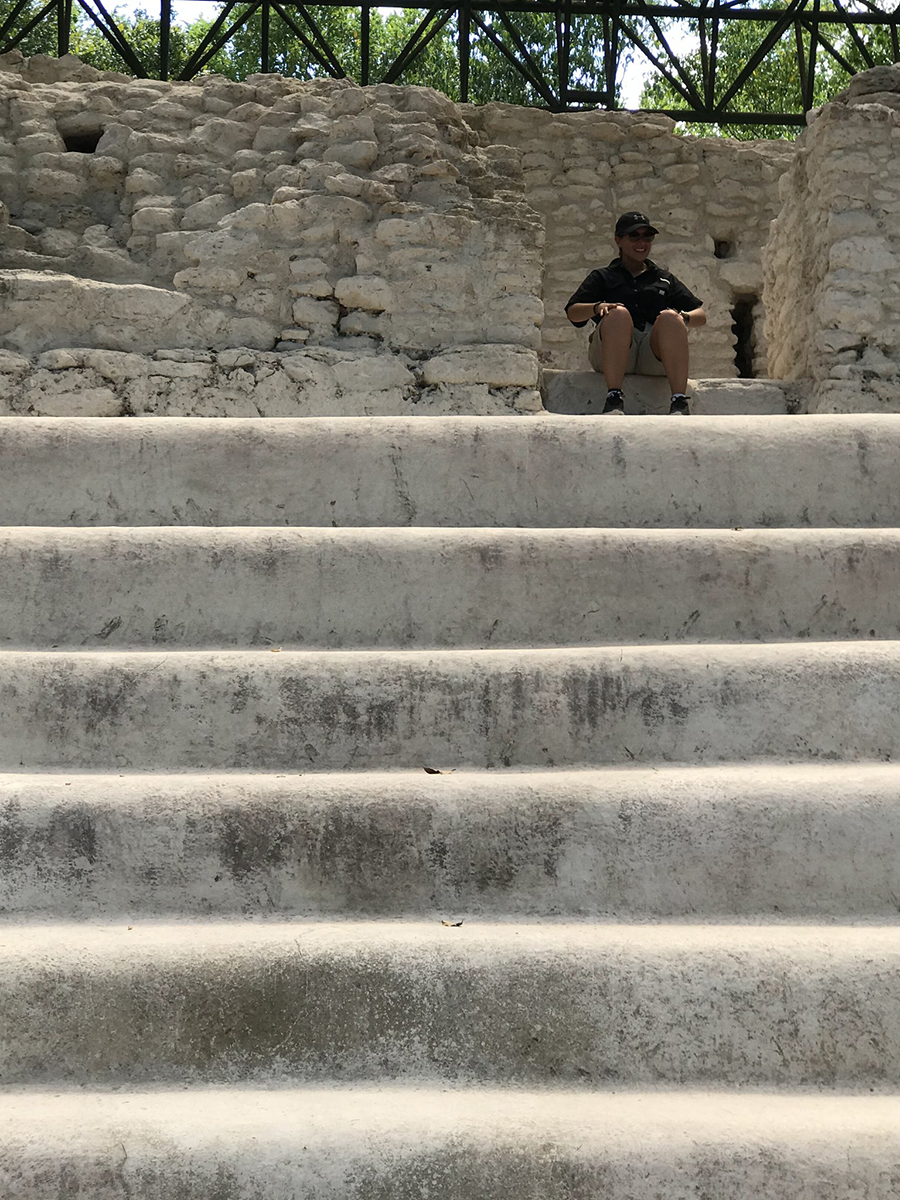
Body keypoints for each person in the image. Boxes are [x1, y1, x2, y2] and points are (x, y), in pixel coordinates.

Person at [565, 212, 707, 415]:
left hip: (652, 355)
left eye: (647, 236)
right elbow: (573, 312)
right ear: (618, 240)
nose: (641, 242)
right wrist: (598, 307)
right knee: (618, 314)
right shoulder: (603, 276)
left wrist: (683, 317)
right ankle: (613, 396)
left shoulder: (664, 278)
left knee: (670, 318)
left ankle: (678, 401)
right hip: (613, 352)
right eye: (634, 236)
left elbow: (700, 314)